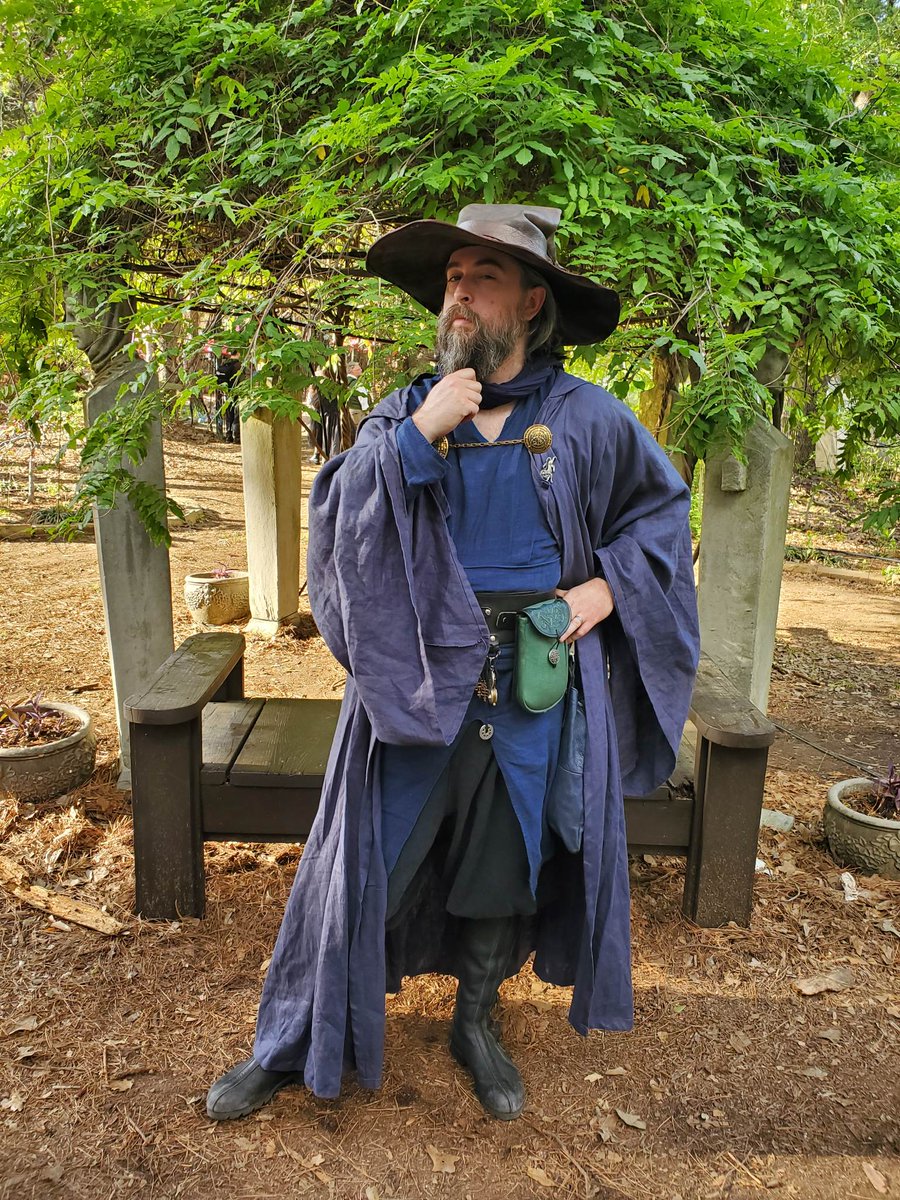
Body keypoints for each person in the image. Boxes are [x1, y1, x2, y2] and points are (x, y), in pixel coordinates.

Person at [207, 204, 700, 1122]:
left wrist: (605, 592)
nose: (459, 294)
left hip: (532, 693)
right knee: (361, 865)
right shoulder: (403, 412)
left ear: (533, 301)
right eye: (452, 279)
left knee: (501, 864)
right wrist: (412, 438)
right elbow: (338, 533)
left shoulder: (588, 420)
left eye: (482, 277)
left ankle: (477, 1021)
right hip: (416, 691)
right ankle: (287, 1040)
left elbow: (662, 518)